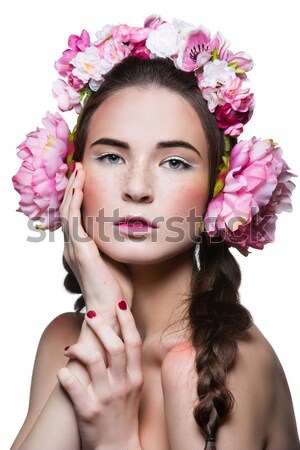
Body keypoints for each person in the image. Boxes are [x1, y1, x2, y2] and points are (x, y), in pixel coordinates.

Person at [11, 14, 299, 450]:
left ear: (218, 195)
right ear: (72, 178)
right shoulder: (63, 342)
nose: (138, 187)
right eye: (111, 156)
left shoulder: (211, 368)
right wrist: (104, 318)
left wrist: (114, 438)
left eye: (175, 162)